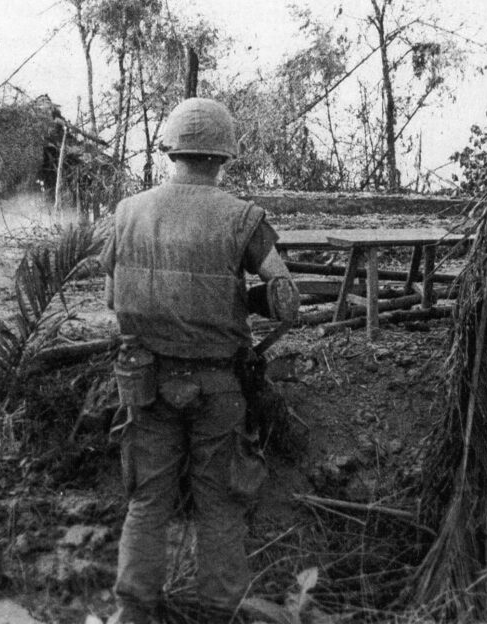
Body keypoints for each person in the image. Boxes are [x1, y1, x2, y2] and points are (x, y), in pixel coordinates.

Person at [100, 97, 300, 624]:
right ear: (222, 157)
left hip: (144, 384)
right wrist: (243, 301)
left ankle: (131, 614)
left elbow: (109, 300)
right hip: (218, 390)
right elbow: (284, 301)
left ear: (170, 150)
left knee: (146, 503)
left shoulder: (126, 213)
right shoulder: (243, 218)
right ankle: (217, 615)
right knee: (220, 507)